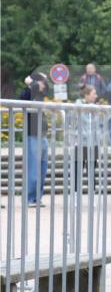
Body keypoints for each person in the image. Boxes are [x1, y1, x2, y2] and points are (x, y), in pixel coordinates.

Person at [20, 73, 49, 207]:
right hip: (32, 135)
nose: (45, 84)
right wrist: (30, 85)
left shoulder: (40, 95)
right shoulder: (28, 92)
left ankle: (37, 197)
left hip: (42, 135)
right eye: (43, 82)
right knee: (33, 169)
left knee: (42, 169)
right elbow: (23, 98)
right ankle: (30, 198)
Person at [70, 85, 101, 193]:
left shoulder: (96, 107)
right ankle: (75, 192)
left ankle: (92, 191)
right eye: (94, 94)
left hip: (94, 143)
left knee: (92, 168)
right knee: (78, 168)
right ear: (86, 95)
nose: (96, 96)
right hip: (81, 142)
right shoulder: (78, 105)